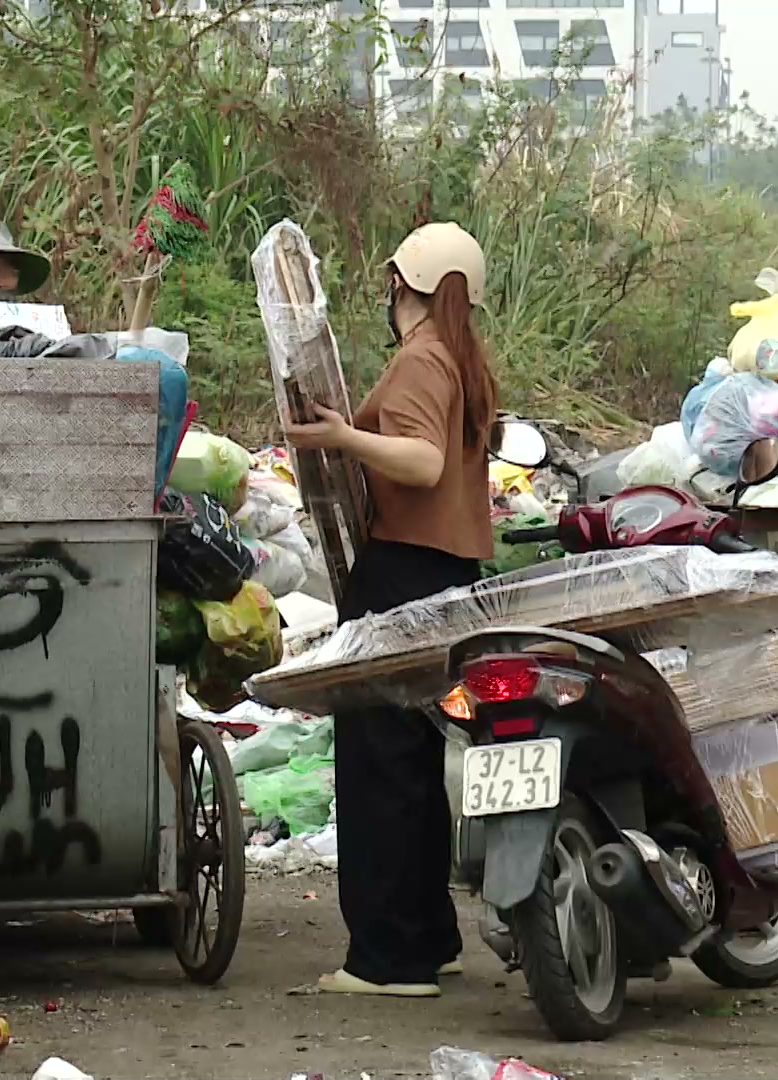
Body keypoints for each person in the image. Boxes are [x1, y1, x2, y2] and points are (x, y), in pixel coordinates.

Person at [285, 221, 498, 997]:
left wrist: (345, 436)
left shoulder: (420, 361)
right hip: (450, 574)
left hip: (405, 571)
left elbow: (423, 460)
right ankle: (428, 936)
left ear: (402, 287)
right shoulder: (462, 361)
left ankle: (389, 958)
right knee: (412, 759)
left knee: (380, 764)